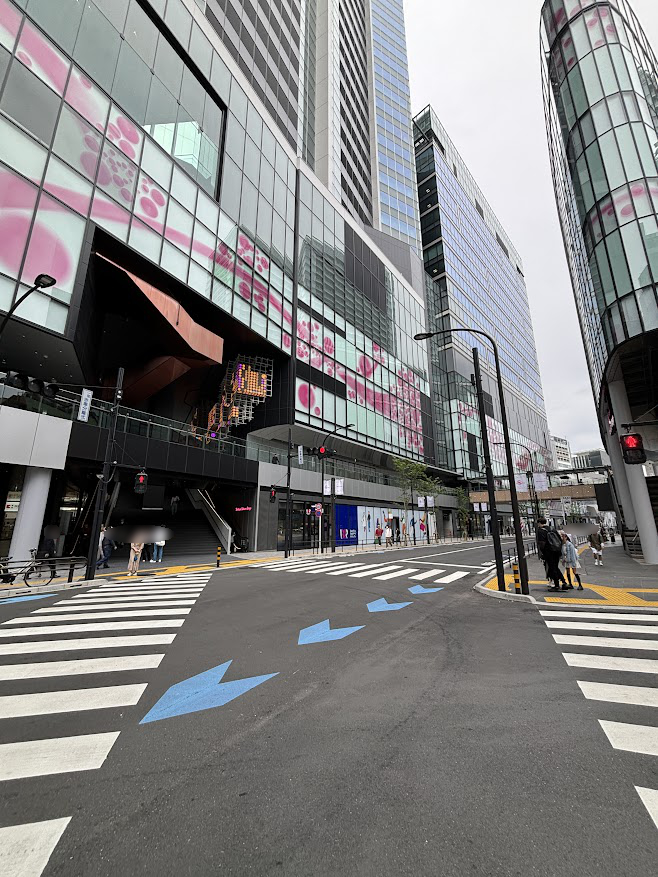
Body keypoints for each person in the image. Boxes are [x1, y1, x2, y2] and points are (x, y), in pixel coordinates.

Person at [537, 517, 570, 591]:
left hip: (549, 552)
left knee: (552, 567)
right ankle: (564, 582)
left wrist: (542, 554)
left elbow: (542, 544)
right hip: (557, 550)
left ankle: (557, 585)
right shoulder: (552, 528)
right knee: (555, 567)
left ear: (539, 523)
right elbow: (560, 539)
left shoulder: (541, 531)